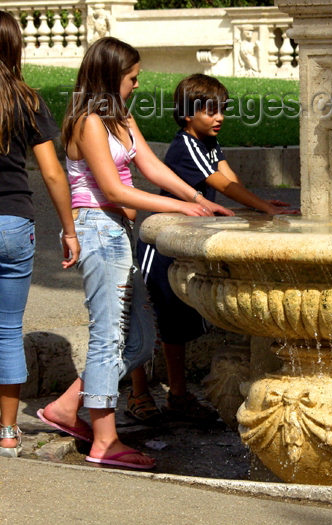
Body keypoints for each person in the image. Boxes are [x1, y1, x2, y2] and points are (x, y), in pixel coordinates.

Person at [36, 39, 233, 470]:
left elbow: (152, 166)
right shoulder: (88, 122)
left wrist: (198, 197)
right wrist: (180, 206)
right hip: (99, 232)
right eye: (132, 79)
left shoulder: (120, 117)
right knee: (109, 337)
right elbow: (112, 189)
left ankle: (67, 407)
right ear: (110, 77)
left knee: (141, 340)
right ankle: (105, 442)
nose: (138, 85)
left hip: (120, 232)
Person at [127, 73, 297, 424]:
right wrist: (261, 208)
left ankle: (177, 396)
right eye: (210, 111)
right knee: (146, 323)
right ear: (188, 114)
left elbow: (232, 179)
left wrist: (258, 204)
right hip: (161, 247)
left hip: (186, 245)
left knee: (176, 327)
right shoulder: (185, 145)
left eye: (222, 110)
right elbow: (222, 185)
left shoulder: (209, 144)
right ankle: (138, 393)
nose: (219, 117)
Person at [0, 11, 80, 458]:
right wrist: (69, 230)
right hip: (14, 222)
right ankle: (8, 434)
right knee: (8, 331)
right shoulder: (28, 101)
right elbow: (52, 173)